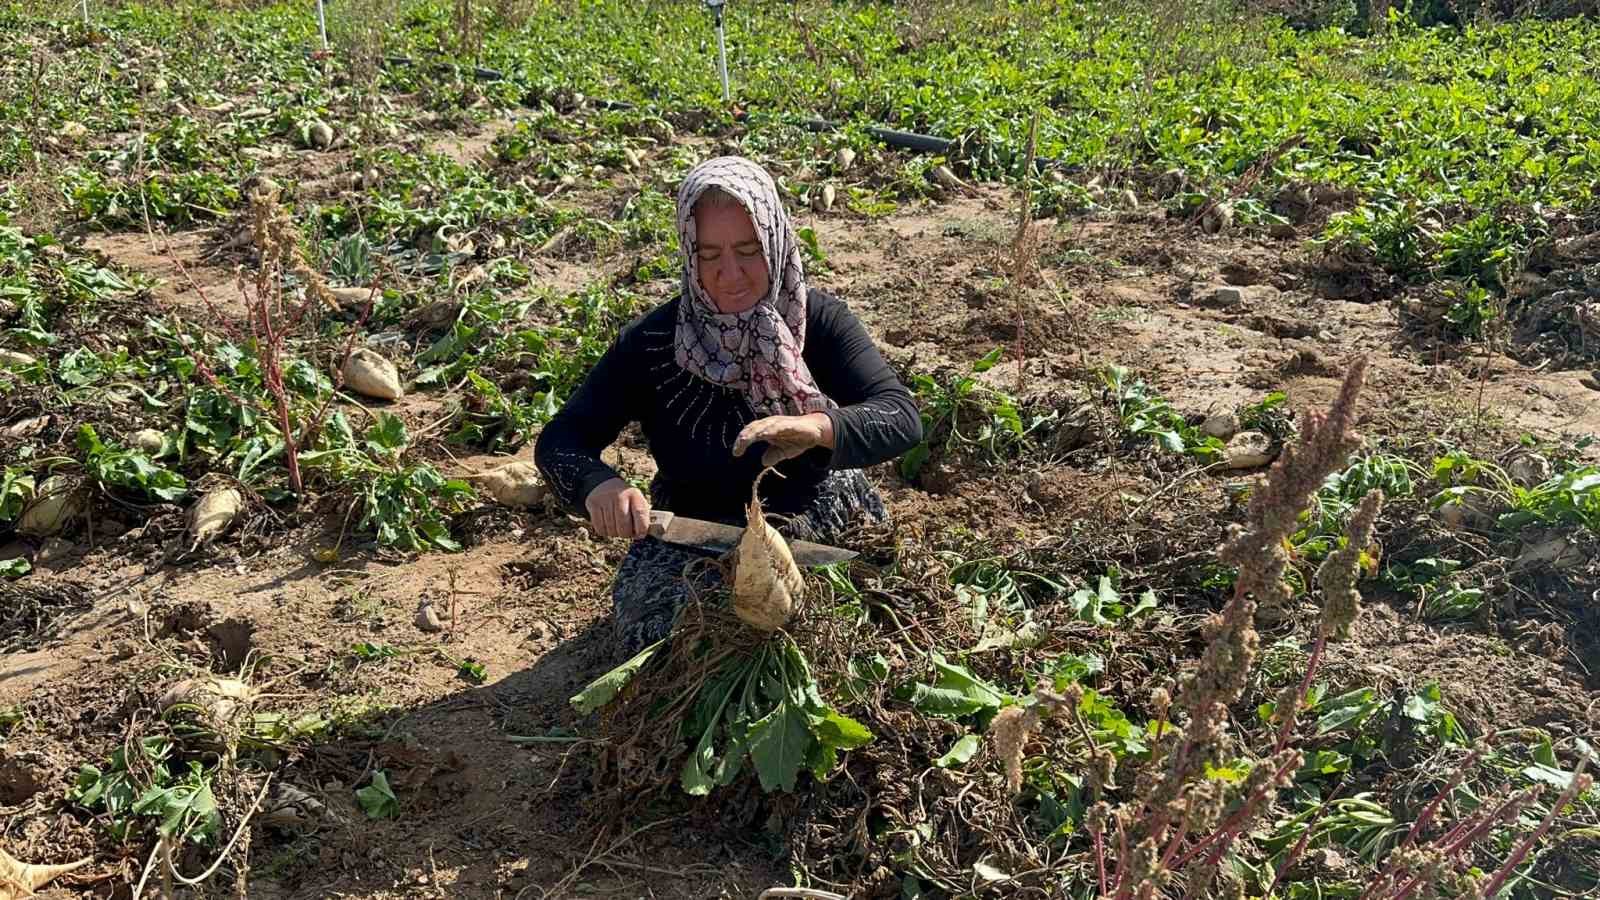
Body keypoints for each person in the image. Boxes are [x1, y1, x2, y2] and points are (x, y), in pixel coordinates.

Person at [533, 155, 923, 655]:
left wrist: (818, 428)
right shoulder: (655, 342)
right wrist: (597, 485)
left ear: (776, 241)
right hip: (690, 535)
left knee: (857, 618)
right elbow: (562, 439)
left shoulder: (818, 321)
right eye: (709, 255)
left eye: (748, 250)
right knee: (672, 643)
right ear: (688, 255)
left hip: (817, 509)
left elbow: (900, 415)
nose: (730, 274)